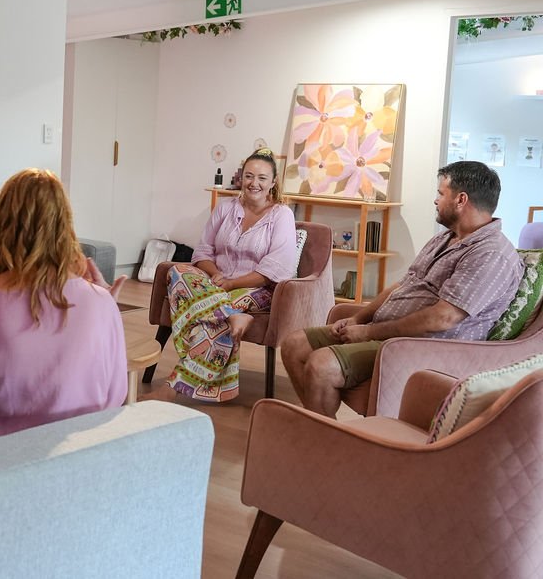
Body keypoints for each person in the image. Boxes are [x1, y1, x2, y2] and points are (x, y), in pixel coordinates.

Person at [282, 160, 522, 418]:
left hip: (419, 347)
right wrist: (359, 318)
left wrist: (369, 332)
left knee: (322, 365)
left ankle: (322, 436)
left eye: (441, 193)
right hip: (387, 333)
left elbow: (442, 318)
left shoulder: (490, 254)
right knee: (294, 345)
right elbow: (402, 285)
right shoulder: (444, 238)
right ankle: (323, 428)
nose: (435, 200)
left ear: (461, 199)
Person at [0, 168, 128, 441]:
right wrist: (105, 312)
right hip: (77, 456)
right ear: (65, 225)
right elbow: (115, 396)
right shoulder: (103, 302)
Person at [166, 148, 296, 402]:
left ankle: (176, 389)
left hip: (256, 288)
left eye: (262, 178)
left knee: (214, 319)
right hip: (216, 283)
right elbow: (203, 251)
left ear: (273, 182)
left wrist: (232, 283)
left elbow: (275, 268)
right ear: (241, 178)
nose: (254, 183)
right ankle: (233, 315)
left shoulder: (282, 215)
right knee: (176, 271)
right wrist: (216, 275)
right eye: (249, 176)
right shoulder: (225, 208)